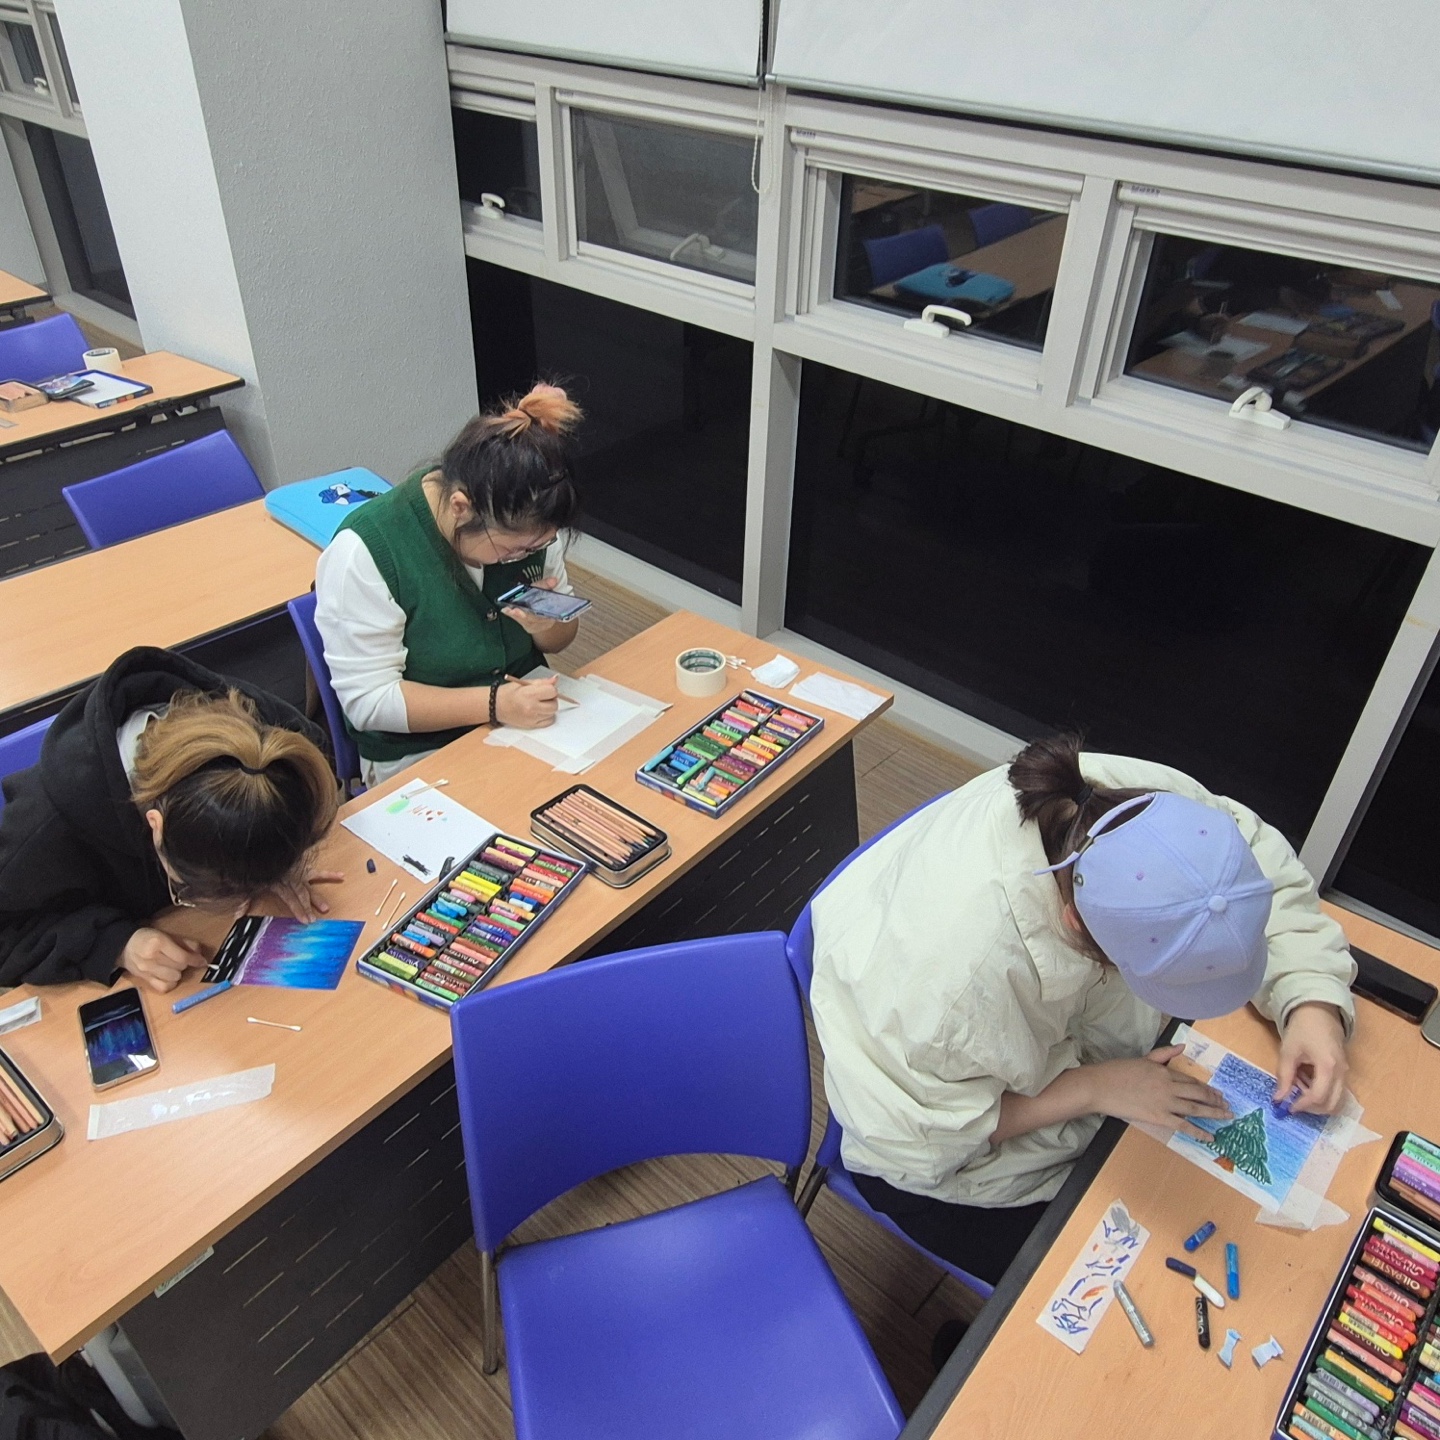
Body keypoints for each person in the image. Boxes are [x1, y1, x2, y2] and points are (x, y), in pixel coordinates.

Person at [809, 734, 1355, 1293]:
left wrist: (1310, 1000)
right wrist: (1094, 1088)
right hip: (920, 1130)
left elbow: (1254, 859)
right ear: (1074, 923)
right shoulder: (952, 993)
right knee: (1138, 1272)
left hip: (1015, 1036)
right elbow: (913, 1141)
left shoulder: (1140, 804)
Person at [0, 647, 341, 992]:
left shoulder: (277, 748)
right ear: (155, 827)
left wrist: (271, 858)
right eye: (184, 889)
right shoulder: (44, 829)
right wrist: (117, 944)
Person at [314, 384, 585, 786]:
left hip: (525, 716)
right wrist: (494, 704)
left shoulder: (531, 526)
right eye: (512, 549)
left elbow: (561, 637)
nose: (524, 556)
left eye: (537, 546)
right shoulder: (365, 551)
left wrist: (545, 626)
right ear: (461, 507)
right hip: (419, 749)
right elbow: (370, 703)